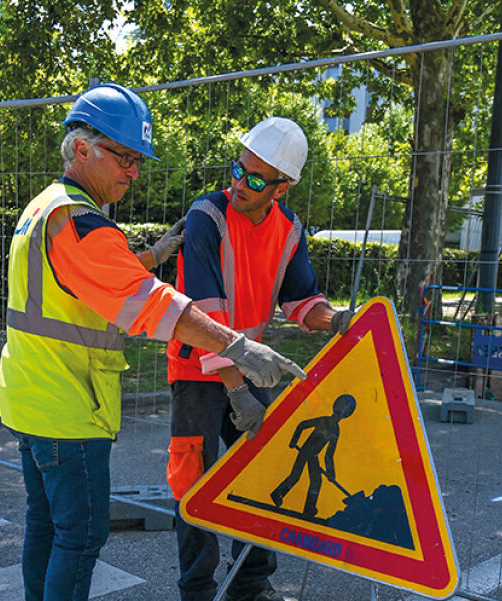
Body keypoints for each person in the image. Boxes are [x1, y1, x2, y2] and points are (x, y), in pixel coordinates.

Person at [0, 84, 306, 601]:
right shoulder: (79, 222)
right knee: (80, 536)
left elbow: (85, 283)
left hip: (31, 397)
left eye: (137, 160)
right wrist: (238, 348)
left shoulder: (46, 208)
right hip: (68, 408)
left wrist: (152, 255)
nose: (133, 171)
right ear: (82, 149)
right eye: (124, 156)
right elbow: (151, 305)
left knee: (47, 527)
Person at [165, 116, 355, 601]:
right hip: (197, 370)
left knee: (266, 475)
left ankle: (250, 585)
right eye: (237, 169)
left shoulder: (289, 229)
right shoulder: (206, 216)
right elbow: (206, 313)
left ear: (283, 186)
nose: (238, 184)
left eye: (253, 179)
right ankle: (198, 591)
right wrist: (236, 391)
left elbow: (300, 300)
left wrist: (335, 321)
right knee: (196, 483)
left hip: (250, 370)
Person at [270, 393, 357, 518]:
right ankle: (278, 494)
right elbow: (302, 425)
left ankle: (308, 508)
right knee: (295, 476)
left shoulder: (334, 429)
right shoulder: (327, 423)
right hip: (306, 451)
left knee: (315, 481)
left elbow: (328, 455)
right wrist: (293, 441)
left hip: (313, 456)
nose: (338, 415)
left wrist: (331, 473)